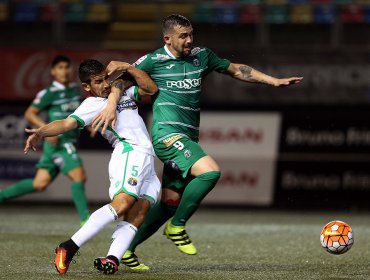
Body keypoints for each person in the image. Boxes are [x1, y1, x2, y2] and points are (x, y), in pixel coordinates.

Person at [94, 14, 303, 270]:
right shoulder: (153, 60)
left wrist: (274, 81)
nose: (189, 40)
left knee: (170, 203)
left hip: (188, 136)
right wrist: (112, 105)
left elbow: (236, 69)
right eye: (183, 36)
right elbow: (120, 80)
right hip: (167, 135)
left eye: (191, 34)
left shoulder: (202, 56)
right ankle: (177, 227)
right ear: (167, 39)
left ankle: (127, 249)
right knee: (210, 172)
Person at [24, 59, 160, 275]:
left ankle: (113, 257)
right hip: (128, 153)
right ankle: (68, 246)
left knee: (139, 212)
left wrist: (128, 68)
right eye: (98, 81)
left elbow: (151, 88)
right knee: (123, 203)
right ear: (87, 87)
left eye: (106, 78)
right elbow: (66, 123)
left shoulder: (121, 90)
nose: (105, 84)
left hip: (147, 159)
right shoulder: (91, 105)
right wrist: (41, 132)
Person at [0, 55, 90, 225]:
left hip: (65, 142)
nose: (64, 71)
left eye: (67, 67)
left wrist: (90, 124)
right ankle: (86, 220)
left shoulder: (75, 89)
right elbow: (29, 113)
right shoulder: (49, 93)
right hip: (61, 144)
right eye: (60, 67)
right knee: (79, 177)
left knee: (39, 184)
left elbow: (79, 113)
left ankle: (1, 196)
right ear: (53, 72)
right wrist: (46, 131)